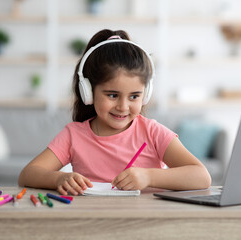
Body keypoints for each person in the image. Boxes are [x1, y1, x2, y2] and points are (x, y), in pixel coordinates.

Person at [18, 29, 211, 195]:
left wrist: (148, 176)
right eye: (112, 95)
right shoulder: (73, 135)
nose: (123, 106)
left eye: (134, 96)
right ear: (89, 92)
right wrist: (58, 179)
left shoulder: (152, 132)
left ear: (146, 94)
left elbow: (201, 177)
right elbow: (27, 174)